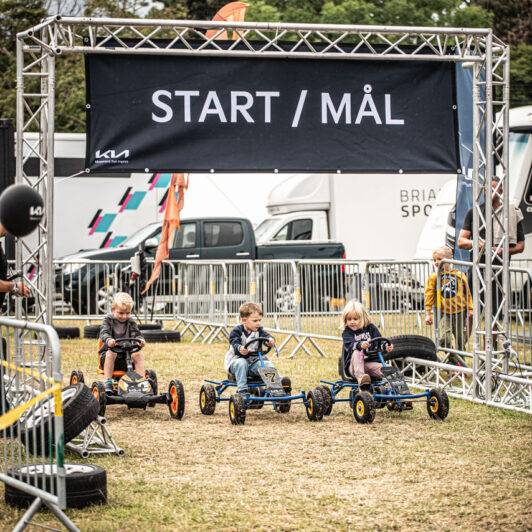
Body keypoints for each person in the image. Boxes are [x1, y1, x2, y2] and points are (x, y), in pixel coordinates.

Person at [458, 176, 525, 346]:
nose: (490, 192)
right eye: (487, 188)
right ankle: (463, 347)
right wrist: (480, 245)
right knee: (470, 311)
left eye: (494, 188)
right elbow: (461, 241)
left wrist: (503, 251)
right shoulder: (475, 212)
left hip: (499, 271)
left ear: (501, 191)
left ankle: (491, 350)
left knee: (493, 314)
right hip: (477, 268)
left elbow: (520, 246)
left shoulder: (511, 213)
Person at [224, 301, 290, 395]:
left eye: (259, 320)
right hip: (236, 362)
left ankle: (279, 386)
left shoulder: (259, 331)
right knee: (242, 363)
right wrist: (240, 348)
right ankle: (242, 391)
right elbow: (234, 344)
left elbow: (267, 337)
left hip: (253, 362)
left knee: (266, 364)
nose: (258, 323)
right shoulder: (237, 331)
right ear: (244, 320)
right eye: (255, 321)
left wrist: (270, 341)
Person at [424, 246, 473, 363]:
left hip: (460, 312)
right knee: (444, 338)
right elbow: (429, 295)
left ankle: (460, 363)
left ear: (450, 259)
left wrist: (470, 309)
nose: (437, 262)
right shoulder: (434, 277)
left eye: (440, 259)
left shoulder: (459, 275)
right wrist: (428, 313)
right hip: (443, 313)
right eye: (435, 260)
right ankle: (452, 359)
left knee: (461, 340)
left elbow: (468, 294)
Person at [99, 292, 146, 394]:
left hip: (126, 357)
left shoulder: (131, 321)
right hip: (109, 357)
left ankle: (142, 384)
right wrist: (109, 340)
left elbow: (136, 334)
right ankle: (108, 383)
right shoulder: (108, 320)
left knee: (138, 355)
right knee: (112, 353)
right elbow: (104, 333)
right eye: (121, 313)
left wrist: (140, 340)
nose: (124, 316)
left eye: (128, 313)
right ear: (113, 309)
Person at [341, 300, 393, 387]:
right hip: (354, 368)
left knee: (390, 370)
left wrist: (385, 346)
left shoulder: (371, 328)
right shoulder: (347, 333)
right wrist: (360, 345)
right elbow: (350, 346)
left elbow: (378, 342)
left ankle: (399, 395)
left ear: (362, 318)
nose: (352, 322)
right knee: (357, 351)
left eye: (355, 319)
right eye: (349, 319)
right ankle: (361, 379)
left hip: (370, 364)